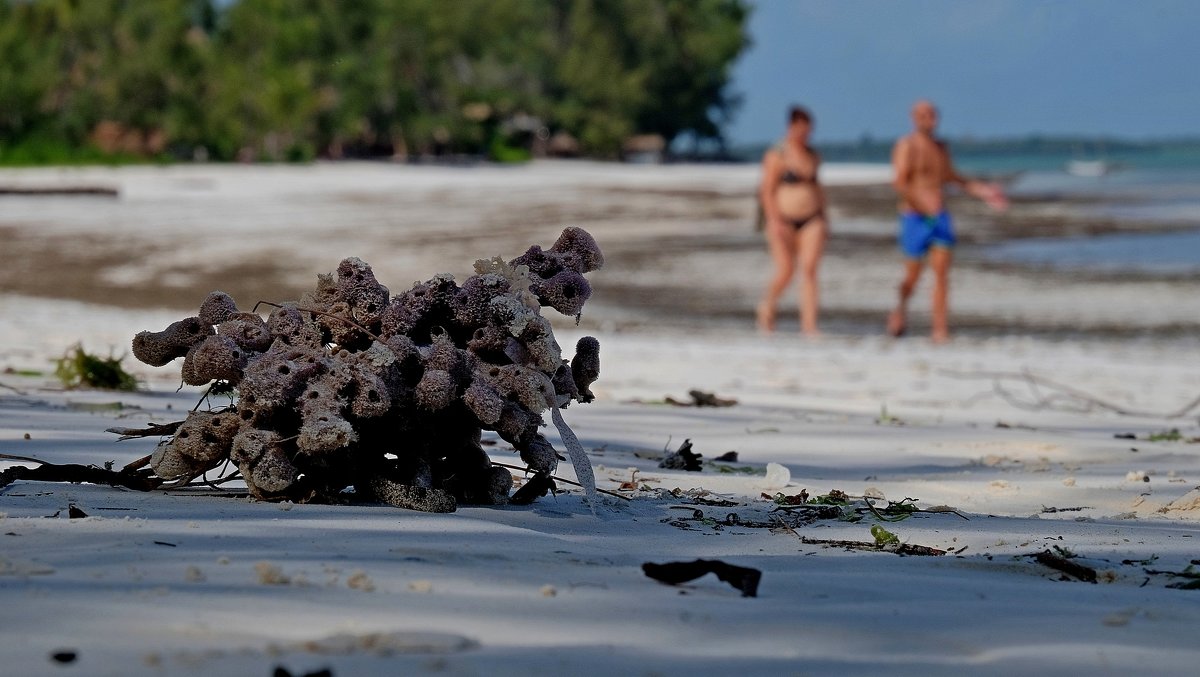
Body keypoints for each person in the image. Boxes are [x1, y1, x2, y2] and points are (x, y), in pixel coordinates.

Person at [887, 100, 1008, 342]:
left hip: (939, 217)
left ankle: (940, 329)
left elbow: (954, 178)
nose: (928, 118)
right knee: (912, 276)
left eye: (931, 114)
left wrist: (984, 191)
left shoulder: (940, 148)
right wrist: (921, 205)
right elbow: (900, 183)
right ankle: (900, 309)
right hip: (915, 217)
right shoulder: (906, 146)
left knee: (942, 273)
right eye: (922, 114)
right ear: (913, 118)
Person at [756, 106, 828, 336]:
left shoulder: (813, 155)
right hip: (783, 219)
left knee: (809, 270)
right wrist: (774, 220)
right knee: (786, 270)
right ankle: (767, 305)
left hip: (812, 219)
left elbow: (818, 188)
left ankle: (809, 325)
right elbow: (766, 191)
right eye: (800, 129)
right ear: (791, 127)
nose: (804, 134)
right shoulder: (778, 154)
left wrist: (824, 217)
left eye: (808, 130)